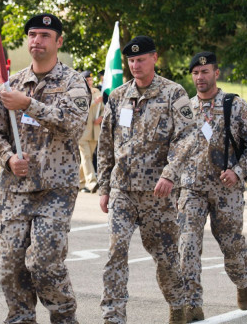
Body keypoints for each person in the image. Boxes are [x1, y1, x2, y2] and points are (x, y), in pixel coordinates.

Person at [0, 13, 90, 324]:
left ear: (59, 41)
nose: (37, 41)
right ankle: (20, 319)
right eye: (32, 35)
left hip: (55, 190)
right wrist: (8, 159)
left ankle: (64, 317)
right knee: (10, 264)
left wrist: (28, 104)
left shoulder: (73, 82)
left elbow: (73, 124)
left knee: (44, 262)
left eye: (44, 35)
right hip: (15, 191)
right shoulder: (12, 84)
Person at [96, 36, 192, 324]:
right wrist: (104, 187)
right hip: (122, 190)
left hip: (158, 194)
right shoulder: (117, 96)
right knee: (116, 251)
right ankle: (113, 316)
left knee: (165, 256)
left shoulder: (174, 93)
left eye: (141, 59)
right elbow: (105, 144)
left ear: (154, 58)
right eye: (131, 60)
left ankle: (177, 302)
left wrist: (170, 174)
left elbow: (187, 138)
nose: (135, 65)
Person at [178, 51, 247, 322]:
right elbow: (175, 148)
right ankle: (192, 305)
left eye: (205, 72)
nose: (199, 77)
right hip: (192, 189)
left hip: (226, 190)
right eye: (195, 73)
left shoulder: (234, 106)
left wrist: (237, 172)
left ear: (216, 73)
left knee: (231, 246)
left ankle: (242, 280)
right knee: (187, 245)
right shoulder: (186, 108)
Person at [78, 70, 101, 193]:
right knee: (86, 156)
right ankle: (92, 182)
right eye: (87, 80)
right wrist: (93, 102)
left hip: (94, 131)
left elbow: (103, 108)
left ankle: (79, 182)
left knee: (87, 158)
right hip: (82, 132)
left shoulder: (97, 92)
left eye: (90, 80)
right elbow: (81, 108)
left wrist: (101, 117)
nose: (89, 82)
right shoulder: (79, 92)